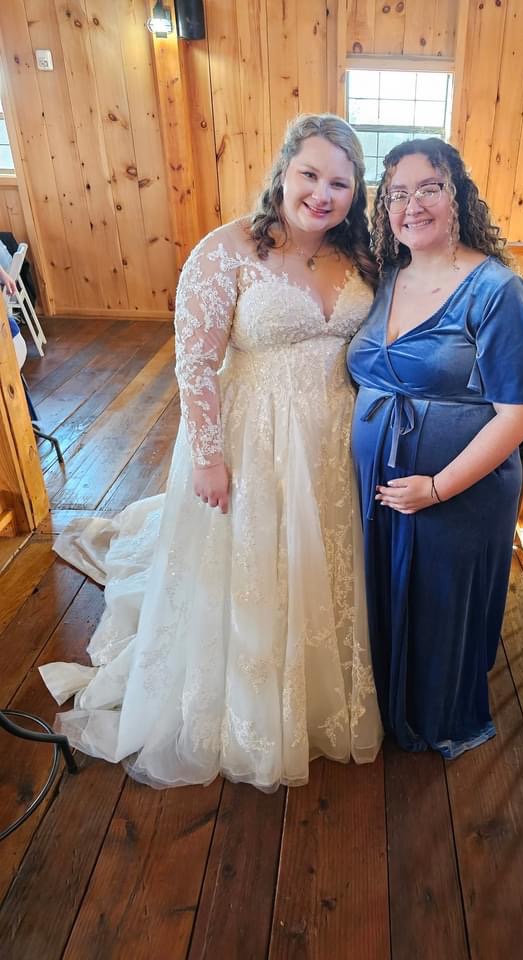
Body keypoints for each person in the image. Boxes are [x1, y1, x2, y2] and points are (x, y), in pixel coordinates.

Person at [40, 114, 383, 791]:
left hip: (338, 436)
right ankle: (257, 708)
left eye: (339, 183)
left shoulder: (362, 255)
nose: (322, 194)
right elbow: (195, 362)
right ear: (283, 171)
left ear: (355, 192)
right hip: (256, 435)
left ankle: (322, 691)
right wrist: (207, 457)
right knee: (259, 566)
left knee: (326, 562)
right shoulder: (227, 250)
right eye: (309, 174)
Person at [348, 138, 523, 758]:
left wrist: (437, 488)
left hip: (457, 492)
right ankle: (385, 704)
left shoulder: (496, 290)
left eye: (428, 188)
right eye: (397, 194)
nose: (412, 205)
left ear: (457, 195)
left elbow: (521, 412)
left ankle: (434, 717)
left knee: (439, 607)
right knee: (386, 594)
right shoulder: (386, 278)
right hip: (380, 483)